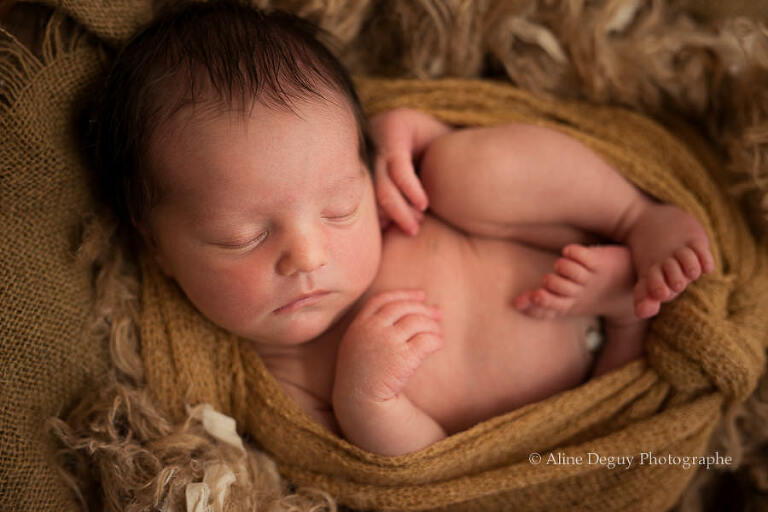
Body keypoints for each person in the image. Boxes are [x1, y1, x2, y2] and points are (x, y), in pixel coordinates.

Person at [92, 1, 714, 457]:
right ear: (159, 249)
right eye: (242, 237)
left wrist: (416, 137)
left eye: (340, 208)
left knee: (459, 172)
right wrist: (367, 402)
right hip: (604, 386)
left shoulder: (393, 214)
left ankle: (633, 214)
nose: (308, 255)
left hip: (561, 239)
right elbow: (423, 472)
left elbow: (418, 163)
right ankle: (632, 311)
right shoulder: (285, 383)